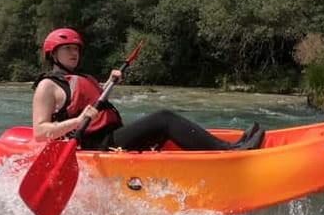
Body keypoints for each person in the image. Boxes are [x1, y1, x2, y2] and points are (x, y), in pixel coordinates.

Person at [32, 28, 265, 152]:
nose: (74, 53)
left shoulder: (83, 78)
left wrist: (108, 84)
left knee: (163, 128)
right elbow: (40, 132)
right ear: (53, 54)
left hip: (111, 136)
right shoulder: (47, 86)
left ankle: (227, 146)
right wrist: (78, 121)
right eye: (67, 49)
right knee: (163, 118)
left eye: (76, 48)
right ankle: (226, 151)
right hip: (94, 144)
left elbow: (95, 104)